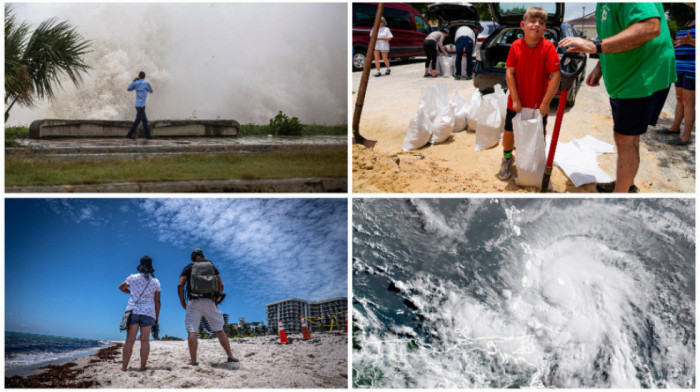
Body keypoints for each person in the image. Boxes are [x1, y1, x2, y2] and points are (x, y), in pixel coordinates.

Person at [559, 3, 675, 193]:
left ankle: (621, 195)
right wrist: (600, 67)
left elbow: (650, 27)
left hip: (641, 73)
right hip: (627, 75)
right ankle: (625, 184)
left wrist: (594, 46)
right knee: (627, 137)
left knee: (626, 138)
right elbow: (613, 33)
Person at [498, 7, 561, 181]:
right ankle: (507, 157)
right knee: (509, 132)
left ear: (545, 29)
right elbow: (509, 73)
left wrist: (546, 102)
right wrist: (516, 99)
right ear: (523, 25)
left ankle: (537, 161)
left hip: (539, 103)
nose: (536, 25)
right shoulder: (515, 47)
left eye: (541, 23)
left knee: (539, 134)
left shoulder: (548, 48)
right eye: (532, 21)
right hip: (517, 101)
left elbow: (556, 74)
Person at [178, 248, 238, 365]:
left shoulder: (189, 267)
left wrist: (182, 302)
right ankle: (230, 356)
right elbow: (221, 284)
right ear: (203, 256)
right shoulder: (211, 267)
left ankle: (194, 360)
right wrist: (217, 300)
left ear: (192, 258)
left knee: (192, 329)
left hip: (193, 301)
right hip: (209, 301)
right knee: (219, 329)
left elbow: (180, 284)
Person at [658, 5, 695, 146]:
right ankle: (675, 128)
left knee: (688, 101)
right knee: (680, 98)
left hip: (693, 67)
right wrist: (677, 44)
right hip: (679, 64)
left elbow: (691, 41)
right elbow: (683, 40)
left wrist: (690, 42)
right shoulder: (688, 22)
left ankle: (686, 137)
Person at [119, 256, 161, 372]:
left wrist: (131, 293)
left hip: (134, 310)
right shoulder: (155, 282)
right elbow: (158, 301)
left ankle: (124, 367)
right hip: (148, 312)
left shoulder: (132, 278)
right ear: (151, 267)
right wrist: (157, 318)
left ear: (140, 266)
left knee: (129, 341)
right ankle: (142, 367)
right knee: (145, 341)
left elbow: (121, 287)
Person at [126, 71, 154, 140]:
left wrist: (133, 81)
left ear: (139, 76)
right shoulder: (146, 84)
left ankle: (148, 136)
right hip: (142, 105)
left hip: (137, 105)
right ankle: (129, 134)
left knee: (144, 121)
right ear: (144, 77)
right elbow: (151, 91)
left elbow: (129, 89)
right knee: (137, 121)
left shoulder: (136, 83)